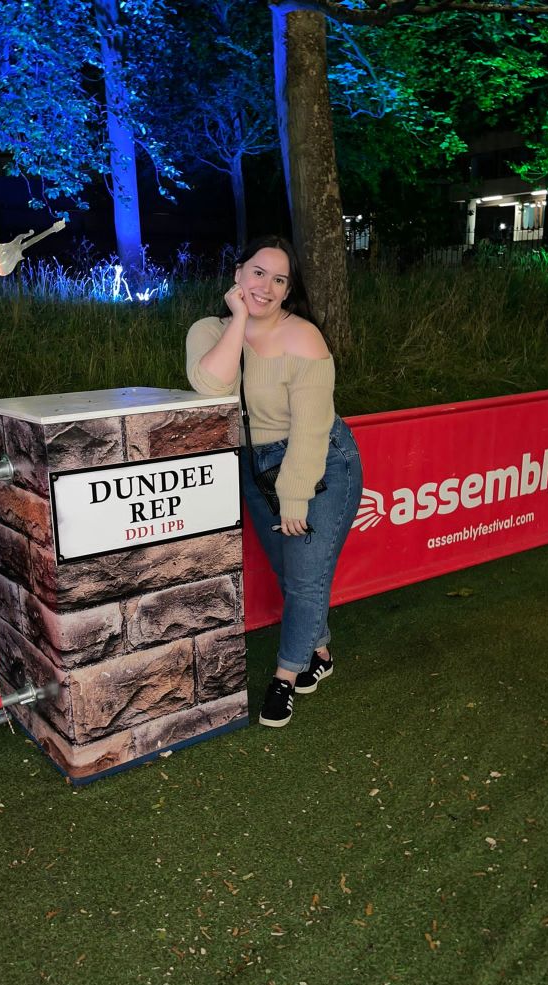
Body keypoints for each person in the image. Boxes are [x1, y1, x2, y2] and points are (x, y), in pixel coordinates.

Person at [186, 236, 363, 728]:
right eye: (258, 272)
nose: (266, 286)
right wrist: (239, 320)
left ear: (288, 291)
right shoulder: (209, 330)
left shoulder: (304, 336)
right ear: (238, 273)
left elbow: (310, 427)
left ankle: (284, 679)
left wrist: (295, 495)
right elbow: (212, 387)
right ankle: (320, 654)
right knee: (290, 573)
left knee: (306, 578)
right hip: (253, 465)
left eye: (279, 280)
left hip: (320, 463)